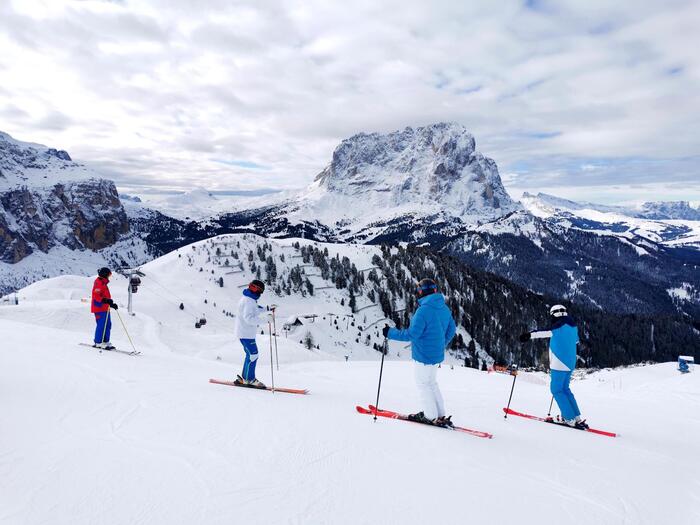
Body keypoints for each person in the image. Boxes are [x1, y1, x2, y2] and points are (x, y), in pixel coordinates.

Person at [382, 278, 456, 427]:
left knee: (423, 384)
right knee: (431, 383)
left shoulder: (423, 311)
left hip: (423, 356)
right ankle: (440, 414)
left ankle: (430, 416)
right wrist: (441, 345)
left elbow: (411, 334)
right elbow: (451, 329)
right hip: (436, 355)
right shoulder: (443, 308)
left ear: (421, 292)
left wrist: (389, 332)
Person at [519, 304, 588, 429]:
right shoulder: (573, 327)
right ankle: (576, 417)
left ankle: (569, 418)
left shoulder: (557, 326)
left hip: (559, 363)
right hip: (571, 363)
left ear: (554, 314)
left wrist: (528, 335)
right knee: (565, 389)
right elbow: (576, 341)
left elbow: (543, 332)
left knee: (556, 390)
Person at [234, 279, 274, 388]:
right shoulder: (248, 301)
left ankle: (245, 378)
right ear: (255, 289)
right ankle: (249, 379)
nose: (260, 294)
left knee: (251, 355)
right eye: (260, 292)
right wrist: (266, 320)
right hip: (245, 333)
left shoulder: (250, 299)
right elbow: (249, 318)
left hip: (246, 333)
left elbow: (255, 309)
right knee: (253, 355)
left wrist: (267, 308)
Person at [91, 267, 118, 349]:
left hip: (105, 308)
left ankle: (105, 341)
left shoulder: (103, 283)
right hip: (99, 308)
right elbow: (96, 296)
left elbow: (105, 296)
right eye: (108, 275)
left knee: (108, 325)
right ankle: (98, 342)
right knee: (101, 325)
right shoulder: (98, 283)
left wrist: (111, 304)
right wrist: (106, 300)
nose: (109, 277)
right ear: (105, 274)